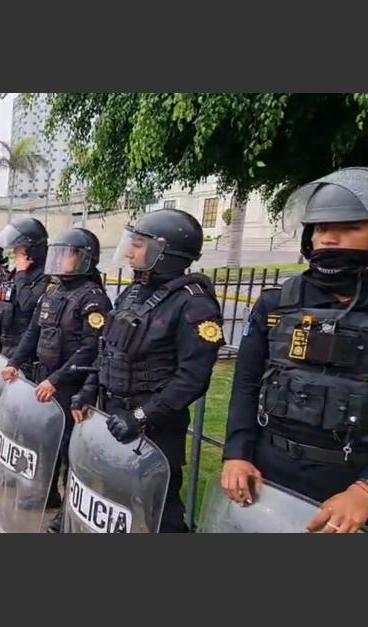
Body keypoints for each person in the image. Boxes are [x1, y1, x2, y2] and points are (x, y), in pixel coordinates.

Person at [221, 168, 368, 533]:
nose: (329, 238)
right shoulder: (277, 304)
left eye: (350, 228)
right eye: (320, 228)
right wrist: (236, 453)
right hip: (270, 475)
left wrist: (364, 490)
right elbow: (246, 384)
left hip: (349, 486)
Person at [72, 209, 223, 533]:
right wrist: (88, 389)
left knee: (160, 508)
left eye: (139, 245)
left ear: (164, 252)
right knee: (114, 499)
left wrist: (142, 417)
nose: (130, 252)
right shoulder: (133, 293)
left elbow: (193, 378)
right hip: (114, 413)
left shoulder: (194, 304)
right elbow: (109, 350)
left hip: (156, 427)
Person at [2, 228, 112, 531]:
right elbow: (32, 333)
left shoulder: (93, 299)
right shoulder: (52, 293)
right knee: (44, 440)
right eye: (59, 253)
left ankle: (68, 513)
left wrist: (57, 380)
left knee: (69, 450)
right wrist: (14, 362)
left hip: (71, 385)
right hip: (45, 379)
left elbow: (90, 349)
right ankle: (48, 493)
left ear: (85, 258)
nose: (61, 259)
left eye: (68, 254)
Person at [0, 218, 51, 362]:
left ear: (32, 250)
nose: (15, 251)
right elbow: (2, 305)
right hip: (6, 343)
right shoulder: (15, 273)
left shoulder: (45, 276)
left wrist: (21, 273)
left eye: (19, 247)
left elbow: (27, 304)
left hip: (26, 351)